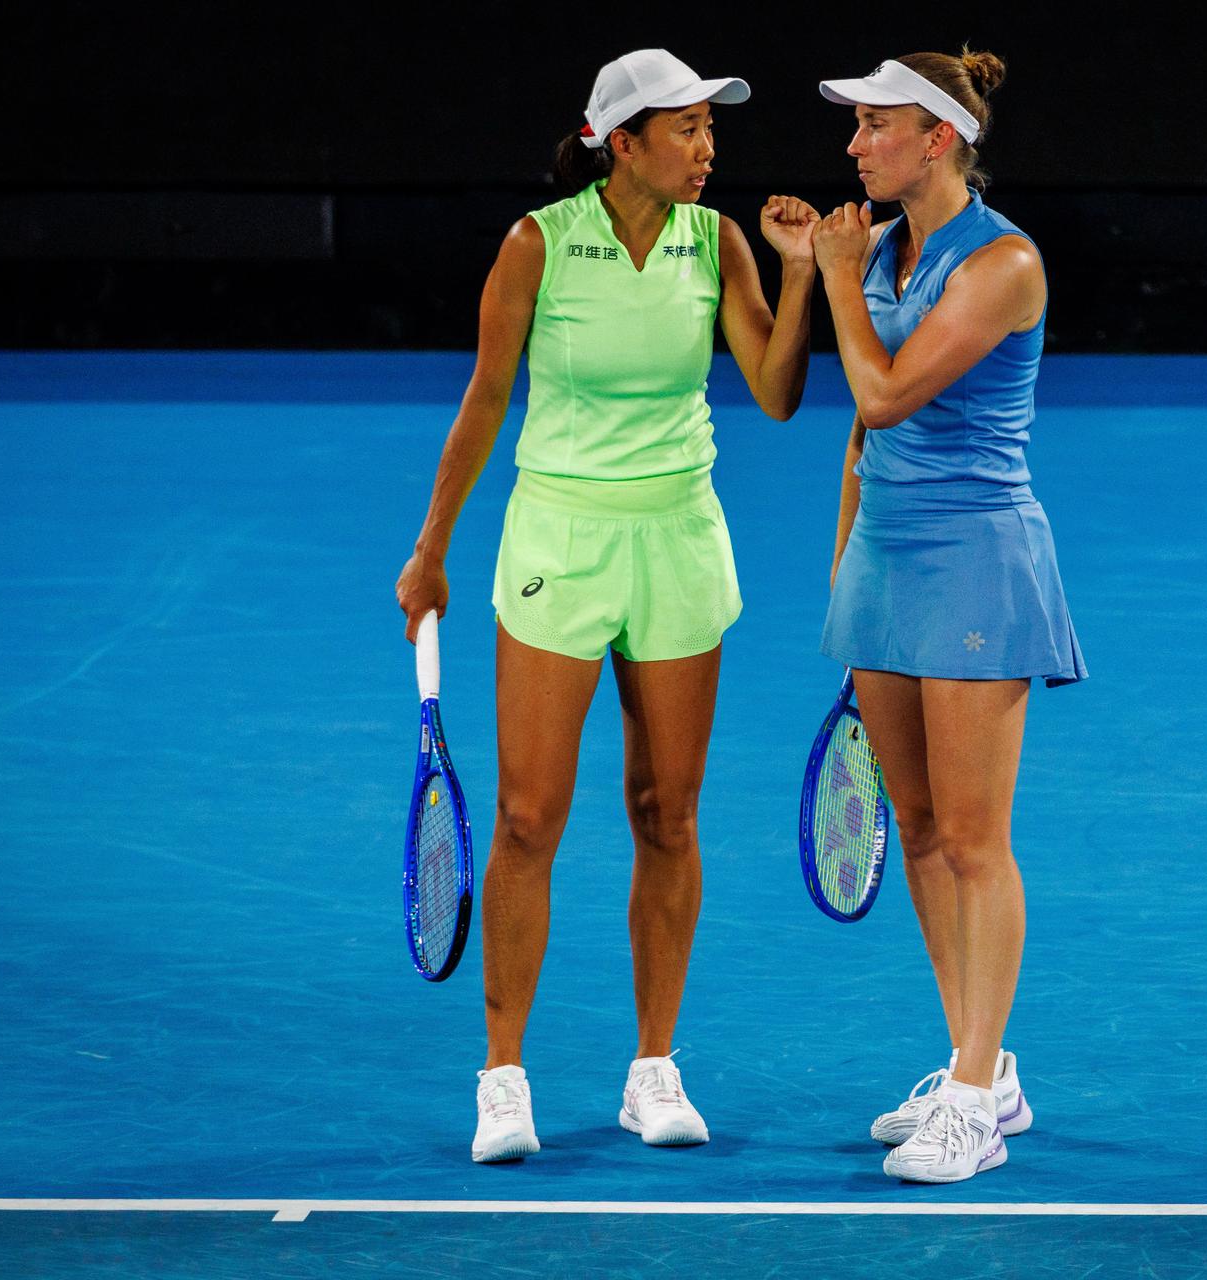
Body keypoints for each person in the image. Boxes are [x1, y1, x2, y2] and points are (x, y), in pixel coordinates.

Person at [394, 48, 819, 1163]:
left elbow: (776, 395)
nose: (709, 148)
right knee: (531, 815)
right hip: (558, 544)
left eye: (712, 130)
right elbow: (487, 396)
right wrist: (432, 547)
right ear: (620, 141)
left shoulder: (719, 241)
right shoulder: (538, 244)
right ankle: (503, 1074)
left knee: (666, 812)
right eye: (686, 130)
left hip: (678, 539)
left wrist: (802, 271)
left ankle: (653, 1067)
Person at [811, 48, 1086, 1183]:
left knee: (974, 839)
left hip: (977, 562)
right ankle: (984, 1062)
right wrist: (843, 579)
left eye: (873, 127)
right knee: (916, 827)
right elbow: (862, 440)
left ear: (936, 139)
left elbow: (880, 389)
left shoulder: (1005, 261)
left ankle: (974, 1096)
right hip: (883, 565)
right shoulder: (883, 244)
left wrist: (828, 271)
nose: (853, 145)